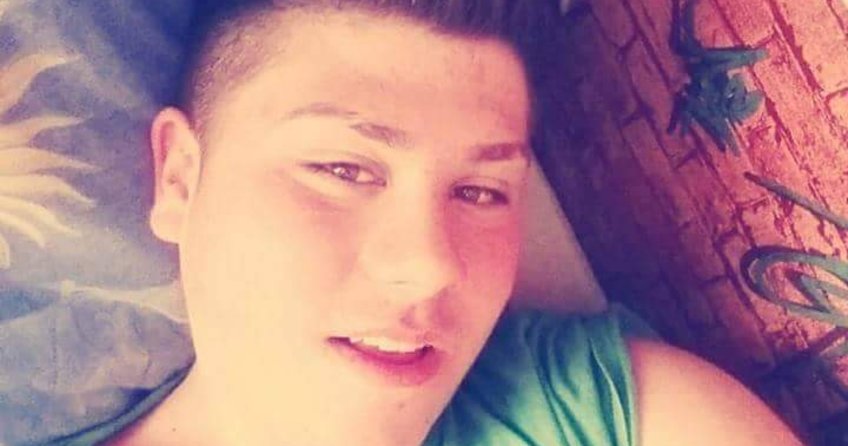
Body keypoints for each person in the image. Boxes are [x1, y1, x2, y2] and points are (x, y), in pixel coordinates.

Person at [99, 0, 802, 444]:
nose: (431, 265)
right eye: (343, 169)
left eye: (479, 192)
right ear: (180, 178)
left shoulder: (614, 414)